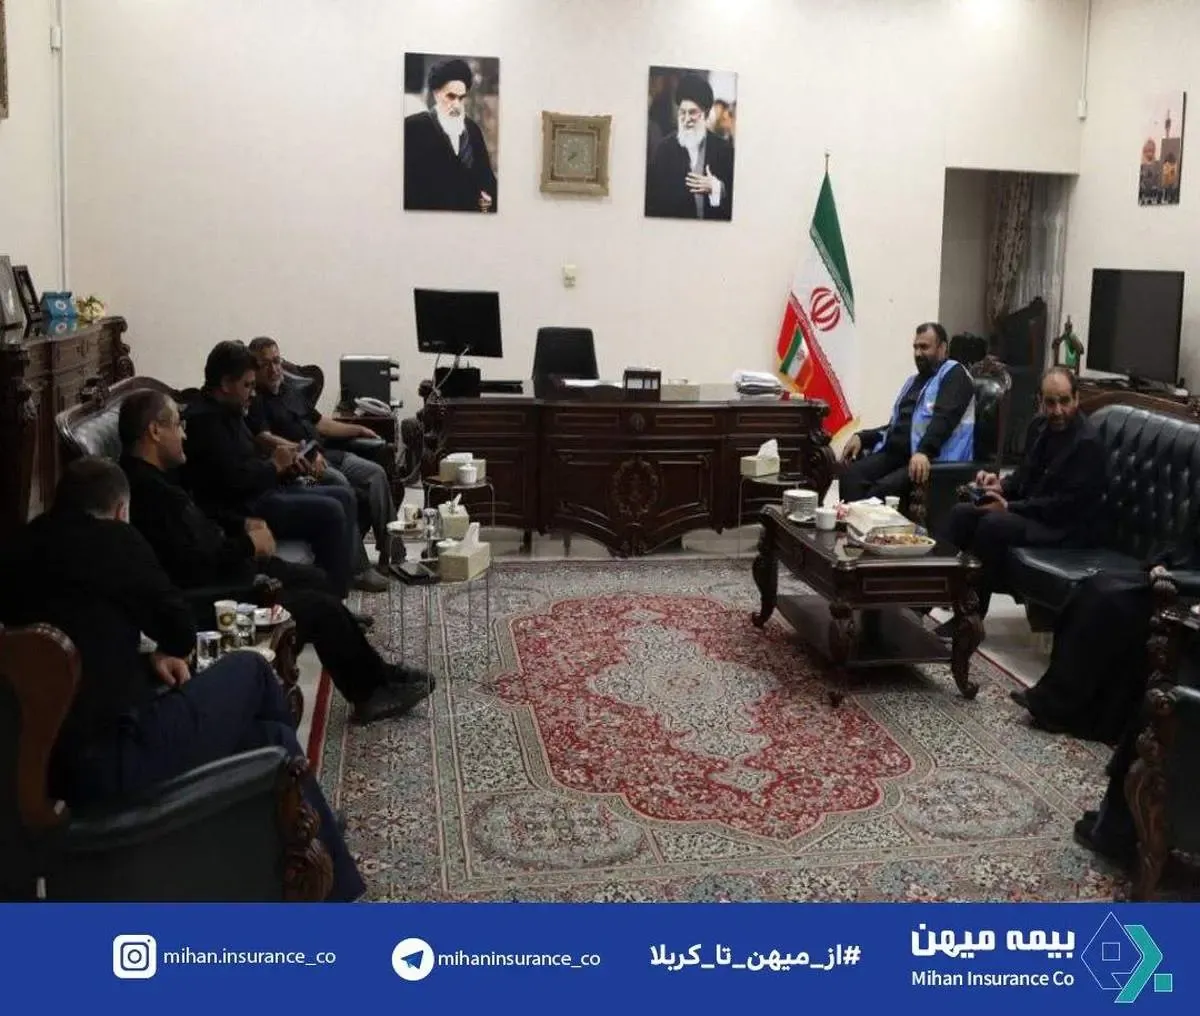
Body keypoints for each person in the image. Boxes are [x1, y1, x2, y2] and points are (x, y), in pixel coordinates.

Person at [0, 458, 365, 901]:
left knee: (270, 739)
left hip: (36, 773)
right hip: (113, 760)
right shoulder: (115, 539)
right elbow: (177, 627)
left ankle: (310, 830)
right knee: (252, 671)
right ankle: (311, 844)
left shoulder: (16, 550)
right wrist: (162, 650)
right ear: (120, 510)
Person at [117, 389, 432, 725]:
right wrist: (248, 545)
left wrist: (241, 525)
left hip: (227, 567)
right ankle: (369, 695)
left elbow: (203, 519)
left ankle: (378, 674)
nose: (184, 434)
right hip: (215, 596)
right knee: (319, 607)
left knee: (317, 579)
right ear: (155, 431)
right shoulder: (148, 494)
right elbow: (190, 565)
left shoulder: (157, 476)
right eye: (177, 425)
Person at [180, 341, 369, 596]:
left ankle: (341, 588)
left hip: (261, 491)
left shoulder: (229, 409)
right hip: (243, 507)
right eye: (247, 385)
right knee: (332, 510)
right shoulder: (205, 421)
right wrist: (274, 466)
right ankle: (330, 596)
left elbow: (248, 461)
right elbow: (232, 481)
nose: (253, 393)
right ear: (225, 384)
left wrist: (287, 467)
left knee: (344, 495)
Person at [943, 366, 1105, 625]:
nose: (1058, 411)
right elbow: (1025, 474)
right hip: (1035, 513)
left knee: (993, 523)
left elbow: (1064, 505)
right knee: (961, 513)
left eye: (1064, 401)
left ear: (1076, 398)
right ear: (1041, 401)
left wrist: (1010, 507)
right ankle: (926, 601)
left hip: (1064, 527)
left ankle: (970, 619)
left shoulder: (1087, 443)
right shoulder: (1039, 426)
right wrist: (1000, 486)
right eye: (1050, 403)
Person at [246, 337, 395, 580]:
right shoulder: (254, 399)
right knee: (340, 484)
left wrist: (357, 429)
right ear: (254, 368)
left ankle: (393, 553)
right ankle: (359, 569)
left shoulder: (288, 390)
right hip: (301, 468)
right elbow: (264, 437)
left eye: (277, 361)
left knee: (376, 473)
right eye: (266, 365)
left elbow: (320, 423)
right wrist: (304, 450)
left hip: (326, 454)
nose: (274, 369)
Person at [839, 323, 975, 503]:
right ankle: (851, 521)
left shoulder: (954, 374)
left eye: (924, 347)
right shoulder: (914, 381)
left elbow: (944, 419)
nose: (918, 353)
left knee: (878, 492)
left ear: (942, 348)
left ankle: (865, 521)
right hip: (897, 455)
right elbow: (896, 426)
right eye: (915, 347)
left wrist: (924, 451)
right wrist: (863, 436)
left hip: (931, 460)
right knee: (851, 476)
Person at [403, 57, 497, 213]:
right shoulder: (413, 128)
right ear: (436, 94)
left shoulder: (472, 130)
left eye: (461, 98)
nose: (456, 105)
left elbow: (487, 182)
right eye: (451, 97)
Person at [644, 73, 735, 221]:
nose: (686, 119)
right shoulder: (664, 149)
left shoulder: (724, 150)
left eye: (692, 113)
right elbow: (652, 200)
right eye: (682, 112)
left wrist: (717, 188)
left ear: (705, 114)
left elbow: (737, 202)